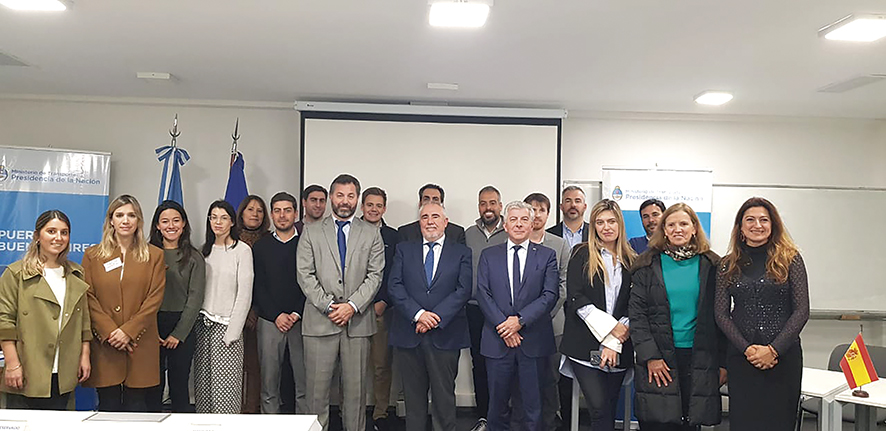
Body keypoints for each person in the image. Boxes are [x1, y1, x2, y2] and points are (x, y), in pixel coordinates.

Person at [296, 174, 384, 431]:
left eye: (351, 196)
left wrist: (352, 306)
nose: (345, 202)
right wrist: (329, 306)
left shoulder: (372, 233)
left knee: (356, 397)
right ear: (331, 197)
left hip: (357, 325)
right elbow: (304, 274)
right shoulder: (311, 232)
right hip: (319, 324)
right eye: (340, 195)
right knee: (316, 396)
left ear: (357, 198)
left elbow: (375, 275)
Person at [715, 197, 809, 431]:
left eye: (764, 220)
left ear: (772, 225)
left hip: (782, 358)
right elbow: (721, 314)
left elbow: (801, 310)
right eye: (750, 220)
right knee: (744, 422)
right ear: (741, 227)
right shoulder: (727, 264)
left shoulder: (790, 259)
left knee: (779, 423)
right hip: (741, 358)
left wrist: (773, 350)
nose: (757, 225)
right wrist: (748, 350)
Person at [629, 203, 725, 431]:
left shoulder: (712, 265)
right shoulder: (646, 265)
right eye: (671, 225)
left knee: (690, 422)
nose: (677, 229)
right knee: (656, 422)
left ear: (694, 228)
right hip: (658, 358)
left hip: (699, 357)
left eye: (684, 223)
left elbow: (721, 317)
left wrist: (722, 362)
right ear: (663, 230)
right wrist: (650, 356)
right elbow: (637, 315)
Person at [388, 202, 472, 431]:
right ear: (419, 222)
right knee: (413, 401)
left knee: (444, 398)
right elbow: (394, 286)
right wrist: (418, 315)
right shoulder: (405, 249)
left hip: (445, 335)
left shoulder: (461, 252)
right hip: (409, 333)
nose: (430, 221)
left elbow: (463, 290)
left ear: (446, 222)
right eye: (424, 217)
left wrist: (434, 317)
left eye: (435, 216)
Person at [476, 201, 558, 431]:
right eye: (514, 219)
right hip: (497, 340)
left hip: (533, 341)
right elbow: (482, 293)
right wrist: (505, 326)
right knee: (497, 406)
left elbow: (549, 295)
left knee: (533, 407)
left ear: (532, 224)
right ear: (505, 224)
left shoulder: (547, 255)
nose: (519, 224)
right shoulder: (488, 255)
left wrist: (519, 321)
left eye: (524, 220)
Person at [0, 210, 91, 409]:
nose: (58, 238)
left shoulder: (77, 274)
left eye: (64, 232)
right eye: (51, 231)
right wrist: (13, 364)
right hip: (27, 370)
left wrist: (84, 356)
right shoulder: (15, 274)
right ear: (37, 236)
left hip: (64, 371)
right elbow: (4, 322)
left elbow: (84, 321)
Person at [83, 194, 166, 411]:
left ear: (139, 220)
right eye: (119, 215)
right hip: (105, 344)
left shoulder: (154, 255)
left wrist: (128, 331)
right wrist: (111, 332)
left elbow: (154, 298)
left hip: (139, 344)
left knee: (137, 407)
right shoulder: (92, 255)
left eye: (131, 215)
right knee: (107, 405)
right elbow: (88, 297)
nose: (125, 220)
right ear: (111, 220)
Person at [560, 199, 635, 431]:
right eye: (600, 222)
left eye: (611, 221)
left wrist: (614, 343)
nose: (606, 227)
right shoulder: (581, 254)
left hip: (620, 348)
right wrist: (611, 333)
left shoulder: (633, 259)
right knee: (599, 409)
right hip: (585, 347)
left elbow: (636, 304)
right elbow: (577, 298)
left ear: (620, 224)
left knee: (609, 408)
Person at [194, 199, 254, 414]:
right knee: (204, 390)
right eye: (214, 217)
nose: (218, 222)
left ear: (232, 222)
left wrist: (233, 332)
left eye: (223, 218)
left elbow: (244, 294)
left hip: (227, 329)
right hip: (202, 326)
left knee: (225, 393)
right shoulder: (203, 251)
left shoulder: (242, 251)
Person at [147, 200, 205, 413]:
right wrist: (150, 330)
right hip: (151, 324)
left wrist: (179, 334)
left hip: (183, 325)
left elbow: (195, 299)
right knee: (153, 385)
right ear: (157, 226)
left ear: (184, 224)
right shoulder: (146, 254)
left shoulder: (194, 257)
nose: (171, 226)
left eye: (176, 220)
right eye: (165, 221)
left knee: (179, 386)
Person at [252, 192, 307, 414]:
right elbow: (258, 286)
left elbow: (312, 282)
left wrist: (295, 313)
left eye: (287, 210)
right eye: (277, 210)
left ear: (295, 213)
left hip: (302, 320)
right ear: (271, 214)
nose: (282, 215)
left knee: (304, 383)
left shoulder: (307, 244)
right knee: (269, 384)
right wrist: (276, 315)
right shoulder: (261, 246)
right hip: (270, 321)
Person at [522, 193, 570, 431]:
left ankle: (549, 424)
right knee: (522, 380)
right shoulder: (514, 241)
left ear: (548, 214)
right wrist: (524, 319)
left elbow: (563, 286)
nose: (536, 214)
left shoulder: (559, 244)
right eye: (531, 209)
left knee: (550, 379)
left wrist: (540, 315)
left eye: (541, 209)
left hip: (553, 325)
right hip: (520, 326)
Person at [464, 185, 508, 430]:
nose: (488, 208)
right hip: (474, 310)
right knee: (479, 363)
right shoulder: (468, 234)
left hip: (503, 312)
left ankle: (503, 416)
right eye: (483, 203)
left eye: (492, 203)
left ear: (500, 206)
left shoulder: (511, 231)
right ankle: (484, 416)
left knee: (505, 362)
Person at [360, 187, 400, 429]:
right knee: (351, 366)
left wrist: (384, 301)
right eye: (369, 205)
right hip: (354, 310)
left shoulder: (394, 237)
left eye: (378, 205)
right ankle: (347, 412)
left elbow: (396, 272)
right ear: (362, 207)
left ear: (384, 209)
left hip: (382, 310)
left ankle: (381, 413)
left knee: (381, 365)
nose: (374, 209)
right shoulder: (350, 231)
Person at [237, 194, 269, 413]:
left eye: (259, 210)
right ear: (241, 213)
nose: (255, 214)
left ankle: (251, 411)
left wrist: (254, 310)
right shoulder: (229, 240)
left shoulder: (269, 241)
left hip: (260, 313)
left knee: (256, 366)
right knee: (234, 367)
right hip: (232, 314)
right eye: (250, 209)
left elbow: (267, 280)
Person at [397, 183, 466, 244]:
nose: (430, 202)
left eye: (435, 199)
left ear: (442, 205)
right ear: (420, 204)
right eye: (426, 199)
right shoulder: (405, 233)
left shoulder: (456, 233)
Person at [546, 186, 589, 251]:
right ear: (561, 207)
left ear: (585, 207)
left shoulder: (594, 233)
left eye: (577, 201)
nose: (573, 205)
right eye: (568, 201)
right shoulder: (549, 234)